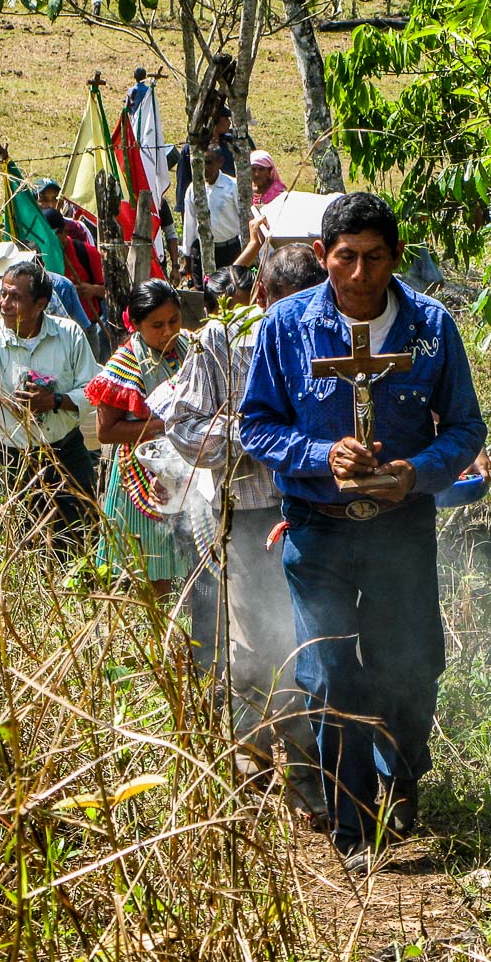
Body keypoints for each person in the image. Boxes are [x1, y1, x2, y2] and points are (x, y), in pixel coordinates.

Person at [240, 192, 486, 874]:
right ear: (322, 257)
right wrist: (323, 456)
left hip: (401, 526)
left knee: (409, 664)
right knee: (328, 673)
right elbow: (255, 425)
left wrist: (417, 471)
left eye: (375, 258)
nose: (359, 274)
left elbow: (467, 429)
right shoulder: (287, 327)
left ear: (396, 257)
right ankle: (352, 826)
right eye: (344, 257)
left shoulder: (431, 327)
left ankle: (401, 775)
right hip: (317, 529)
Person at [155, 244, 329, 817]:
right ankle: (265, 763)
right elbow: (183, 426)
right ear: (260, 299)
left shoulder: (329, 333)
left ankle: (310, 769)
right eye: (283, 306)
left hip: (321, 513)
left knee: (314, 640)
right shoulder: (223, 342)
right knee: (264, 640)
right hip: (252, 512)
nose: (294, 322)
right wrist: (257, 435)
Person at [0, 258, 100, 550]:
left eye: (16, 297)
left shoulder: (69, 334)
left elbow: (93, 390)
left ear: (40, 304)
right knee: (17, 546)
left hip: (64, 454)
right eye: (3, 293)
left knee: (79, 539)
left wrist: (56, 401)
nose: (5, 303)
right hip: (8, 460)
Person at [84, 280, 191, 594]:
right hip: (140, 475)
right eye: (157, 325)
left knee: (188, 562)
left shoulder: (184, 345)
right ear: (136, 323)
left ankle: (188, 634)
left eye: (174, 321)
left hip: (183, 467)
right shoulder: (123, 365)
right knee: (154, 570)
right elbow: (106, 431)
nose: (168, 331)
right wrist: (162, 424)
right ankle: (158, 635)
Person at [44, 207, 108, 359]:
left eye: (53, 236)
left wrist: (91, 290)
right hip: (54, 333)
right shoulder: (42, 257)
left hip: (86, 328)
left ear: (64, 232)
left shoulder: (87, 253)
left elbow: (109, 291)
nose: (49, 242)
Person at [183, 146, 243, 278]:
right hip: (202, 250)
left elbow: (243, 220)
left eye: (209, 163)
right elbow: (189, 223)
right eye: (201, 163)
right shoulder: (194, 189)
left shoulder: (231, 186)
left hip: (229, 251)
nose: (205, 167)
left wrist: (243, 251)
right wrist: (187, 255)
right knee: (202, 292)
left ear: (220, 162)